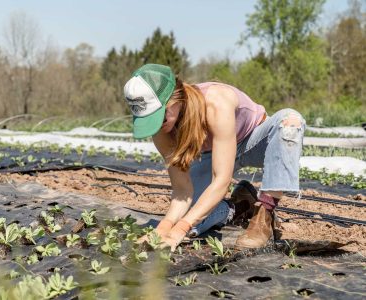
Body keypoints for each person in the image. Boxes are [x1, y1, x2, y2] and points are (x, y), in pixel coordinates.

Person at [123, 64, 305, 250]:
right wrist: (165, 227)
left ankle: (264, 215)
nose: (158, 126)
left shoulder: (215, 102)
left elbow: (221, 180)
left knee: (290, 121)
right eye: (149, 120)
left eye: (160, 117)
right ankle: (239, 206)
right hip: (213, 154)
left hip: (253, 141)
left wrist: (180, 230)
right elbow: (182, 191)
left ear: (175, 99)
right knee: (193, 219)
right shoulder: (162, 130)